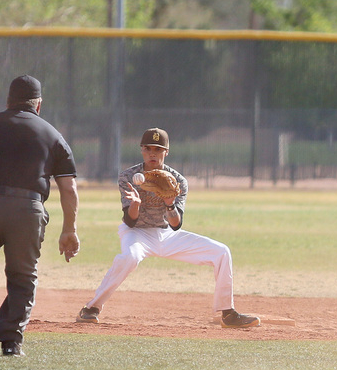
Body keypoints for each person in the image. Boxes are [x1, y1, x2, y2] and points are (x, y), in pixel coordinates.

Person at [76, 127, 260, 328]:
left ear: (166, 152)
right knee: (130, 257)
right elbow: (130, 222)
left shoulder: (178, 181)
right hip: (137, 233)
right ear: (141, 150)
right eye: (148, 148)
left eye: (158, 149)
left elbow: (175, 224)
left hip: (167, 234)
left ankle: (228, 313)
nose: (152, 153)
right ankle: (92, 308)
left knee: (222, 252)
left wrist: (170, 204)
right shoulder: (128, 176)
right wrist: (136, 204)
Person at [0, 75, 80, 357]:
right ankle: (11, 343)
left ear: (8, 101)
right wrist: (69, 229)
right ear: (38, 105)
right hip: (26, 210)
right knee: (22, 277)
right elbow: (68, 188)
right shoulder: (52, 135)